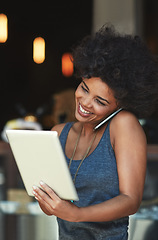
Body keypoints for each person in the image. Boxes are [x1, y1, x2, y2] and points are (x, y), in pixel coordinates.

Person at [32, 24, 158, 240]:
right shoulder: (58, 133)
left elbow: (130, 200)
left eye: (100, 101)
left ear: (121, 104)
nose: (85, 103)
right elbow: (51, 209)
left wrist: (77, 214)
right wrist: (48, 200)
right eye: (84, 88)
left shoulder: (123, 125)